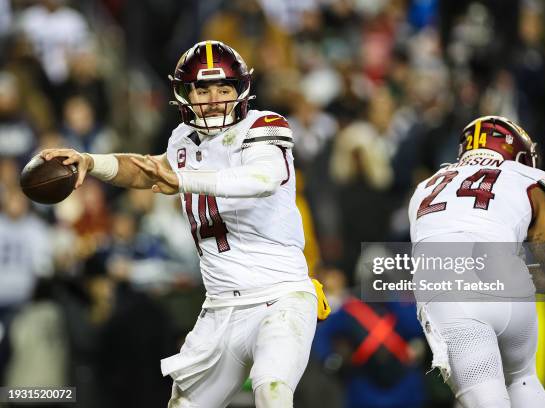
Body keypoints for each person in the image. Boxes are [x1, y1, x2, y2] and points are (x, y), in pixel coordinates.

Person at [39, 40, 330, 408]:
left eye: (223, 88)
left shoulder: (264, 126)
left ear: (240, 90)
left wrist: (185, 180)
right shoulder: (182, 141)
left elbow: (262, 179)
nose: (213, 99)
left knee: (272, 390)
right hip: (220, 308)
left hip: (281, 296)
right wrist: (90, 161)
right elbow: (146, 171)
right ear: (185, 95)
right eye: (202, 89)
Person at [407, 116, 545, 407]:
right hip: (509, 289)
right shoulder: (527, 179)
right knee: (523, 377)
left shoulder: (425, 186)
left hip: (448, 289)